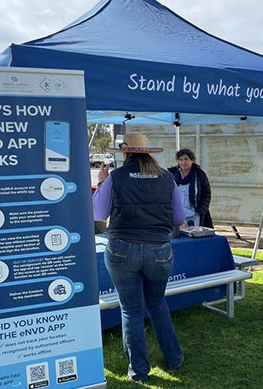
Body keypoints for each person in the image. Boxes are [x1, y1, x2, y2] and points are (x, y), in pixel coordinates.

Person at [92, 133, 185, 383]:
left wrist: (102, 183)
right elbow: (178, 219)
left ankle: (139, 371)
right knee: (156, 303)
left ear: (126, 153)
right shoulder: (167, 177)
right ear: (148, 152)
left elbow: (99, 213)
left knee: (131, 310)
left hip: (122, 248)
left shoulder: (117, 177)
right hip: (159, 249)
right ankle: (174, 358)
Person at [168, 148, 213, 228]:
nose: (183, 162)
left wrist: (200, 211)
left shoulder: (199, 175)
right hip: (176, 216)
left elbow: (206, 194)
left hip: (193, 215)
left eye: (186, 159)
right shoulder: (172, 175)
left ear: (192, 161)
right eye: (181, 159)